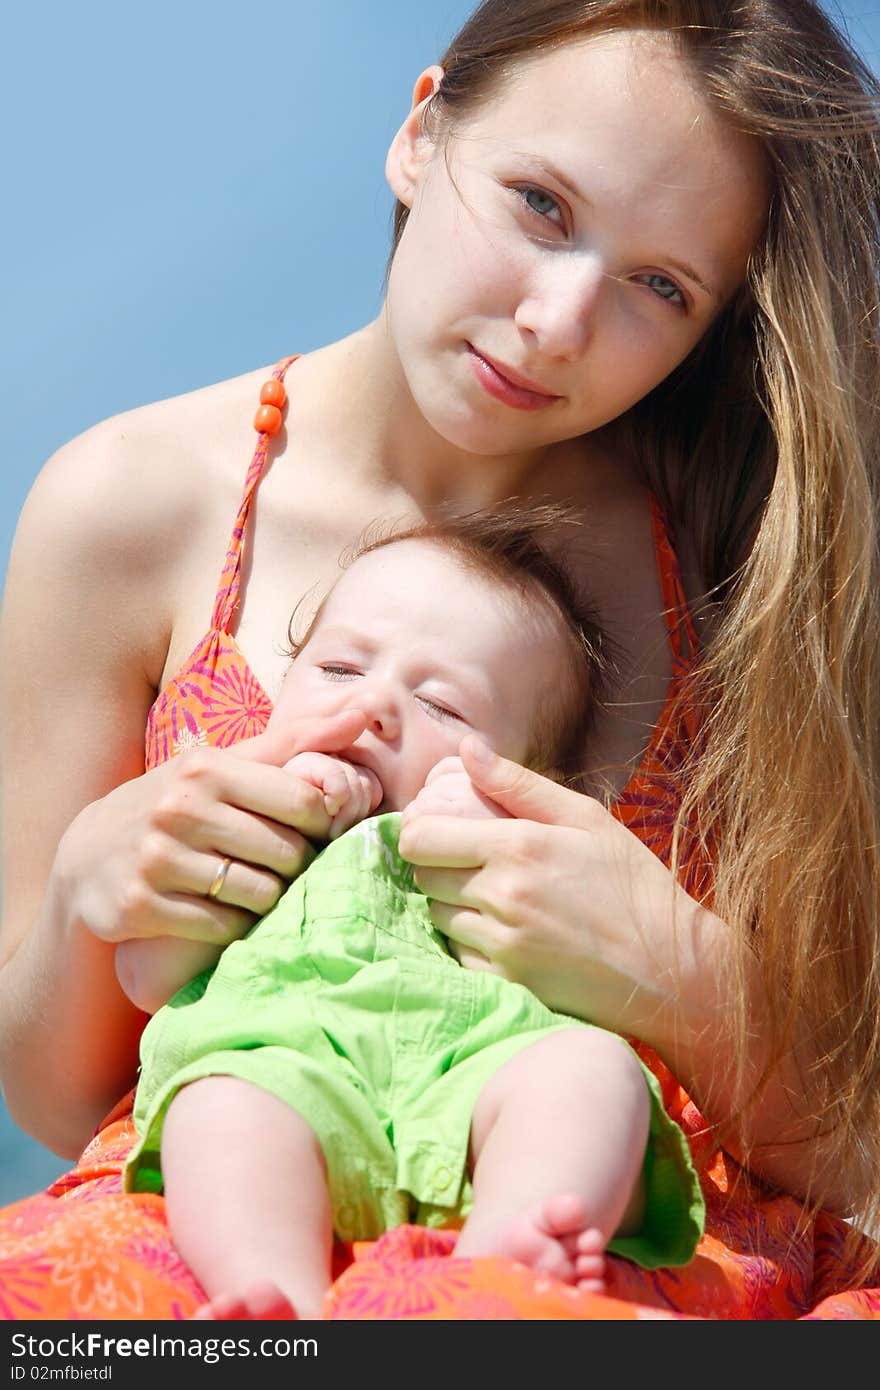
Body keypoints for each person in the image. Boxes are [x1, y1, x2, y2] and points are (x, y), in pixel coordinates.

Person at [0, 0, 879, 1322]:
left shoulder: (766, 567)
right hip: (219, 1251)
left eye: (661, 285)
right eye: (538, 202)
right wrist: (85, 894)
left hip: (637, 1273)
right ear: (421, 132)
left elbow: (861, 1149)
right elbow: (65, 1099)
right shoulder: (127, 504)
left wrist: (683, 974)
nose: (557, 318)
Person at [120, 515, 704, 1320]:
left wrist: (479, 822)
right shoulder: (245, 819)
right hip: (288, 1064)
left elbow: (555, 925)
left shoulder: (507, 851)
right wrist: (258, 837)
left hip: (473, 1071)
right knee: (218, 1103)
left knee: (591, 1074)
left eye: (443, 706)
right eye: (337, 668)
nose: (374, 707)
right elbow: (146, 974)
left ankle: (506, 1258)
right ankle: (271, 1294)